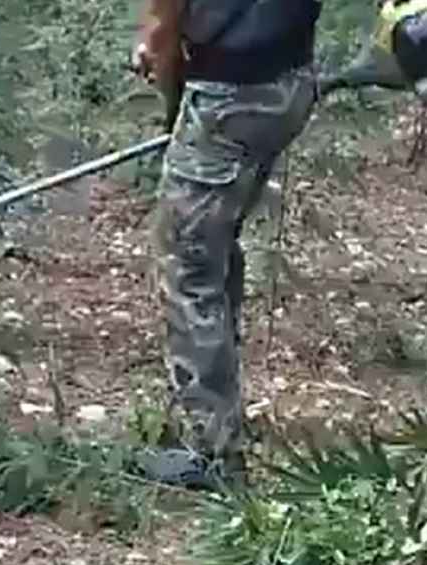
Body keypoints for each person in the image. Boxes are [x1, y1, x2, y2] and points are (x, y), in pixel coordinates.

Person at [132, 0, 323, 491]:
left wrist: (161, 62)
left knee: (188, 266)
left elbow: (162, 27)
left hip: (231, 95)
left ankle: (213, 450)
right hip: (287, 81)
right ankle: (220, 413)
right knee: (212, 246)